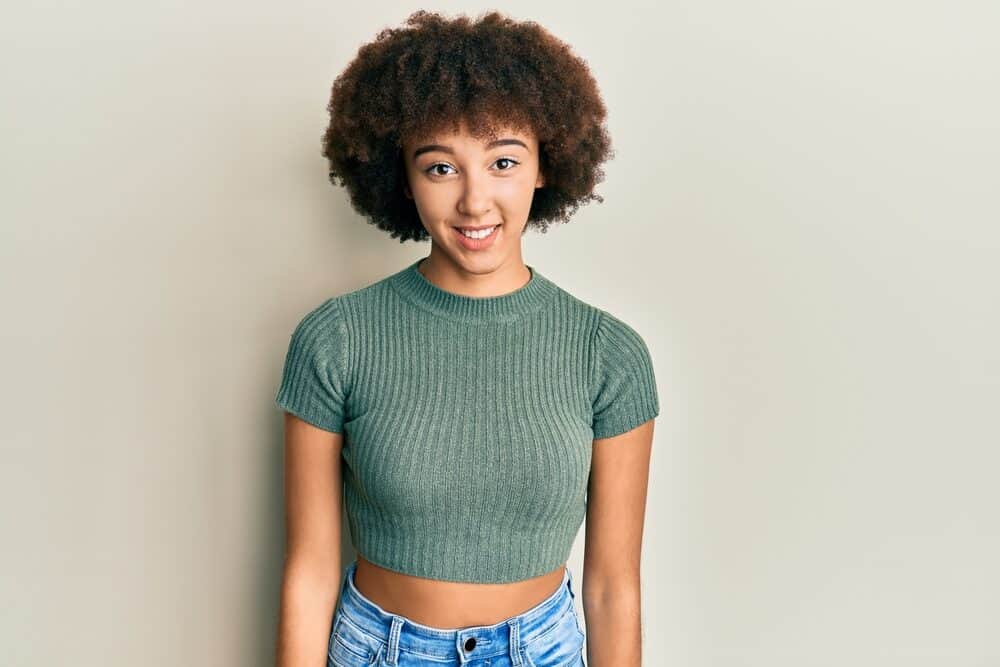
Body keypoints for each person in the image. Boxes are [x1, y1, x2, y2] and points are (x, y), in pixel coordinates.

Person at [274, 10, 659, 667]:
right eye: (441, 168)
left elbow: (612, 588)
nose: (476, 201)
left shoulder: (608, 353)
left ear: (545, 165)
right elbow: (309, 571)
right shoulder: (335, 339)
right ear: (402, 177)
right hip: (378, 650)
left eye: (503, 161)